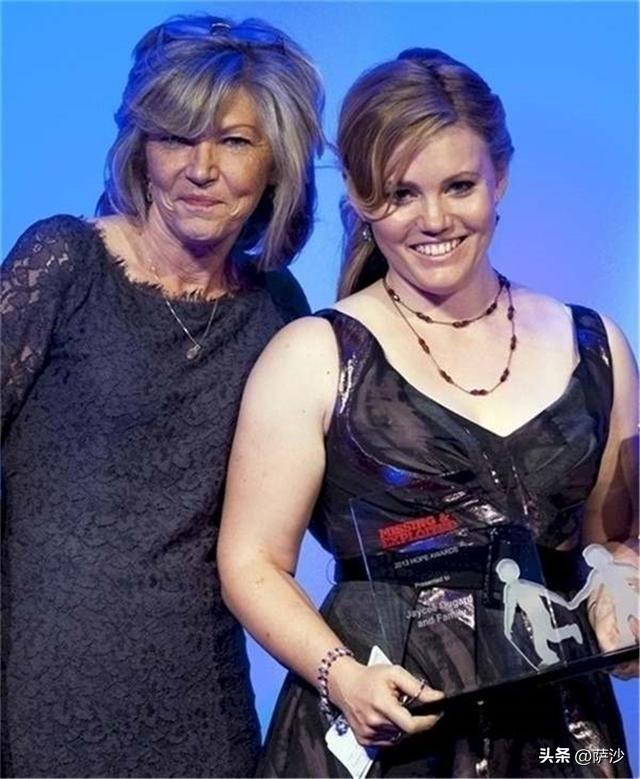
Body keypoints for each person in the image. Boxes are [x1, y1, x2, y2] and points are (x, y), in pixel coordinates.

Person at [218, 48, 637, 777]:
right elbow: (251, 561)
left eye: (459, 185)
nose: (434, 219)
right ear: (358, 193)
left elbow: (614, 541)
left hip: (559, 740)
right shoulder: (311, 355)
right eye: (400, 193)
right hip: (387, 738)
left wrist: (622, 598)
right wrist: (340, 675)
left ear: (501, 177)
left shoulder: (596, 345)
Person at [1, 13, 323, 778]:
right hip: (38, 688)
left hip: (204, 707)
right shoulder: (65, 261)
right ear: (141, 148)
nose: (200, 168)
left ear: (276, 163)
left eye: (234, 142)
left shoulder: (279, 308)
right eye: (177, 136)